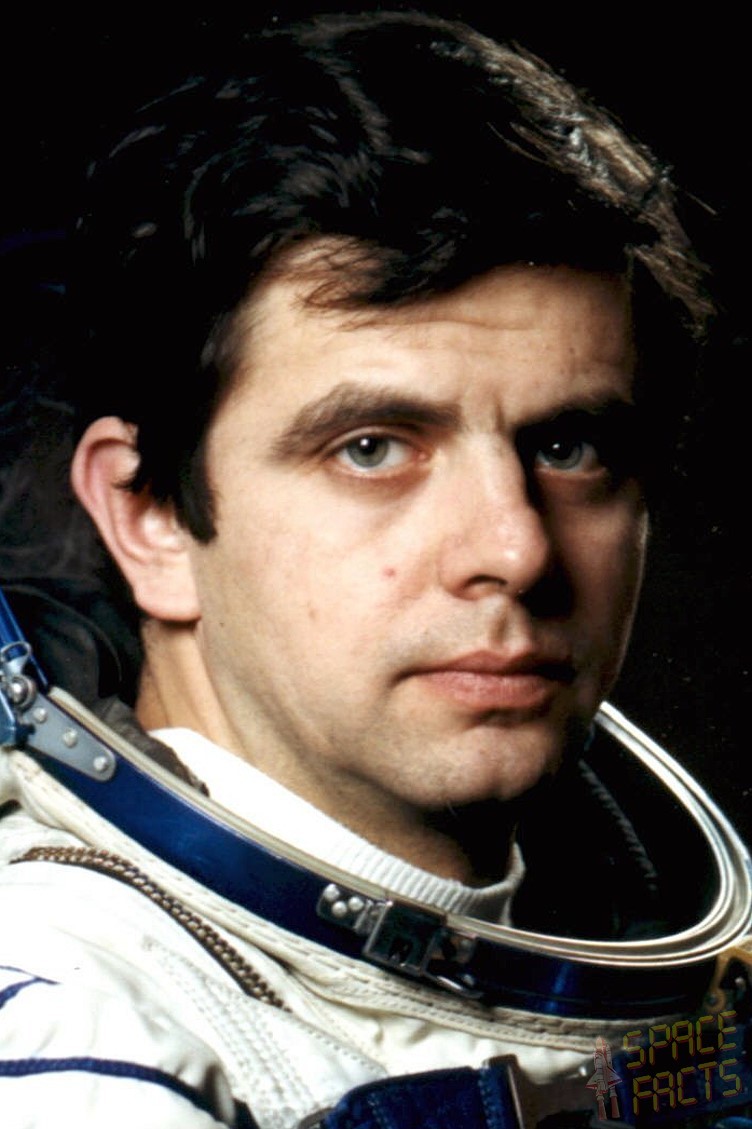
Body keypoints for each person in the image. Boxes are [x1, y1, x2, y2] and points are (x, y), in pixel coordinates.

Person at [0, 11, 750, 1128]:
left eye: (566, 445)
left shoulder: (649, 982)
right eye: (371, 449)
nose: (515, 550)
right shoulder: (76, 1037)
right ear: (151, 516)